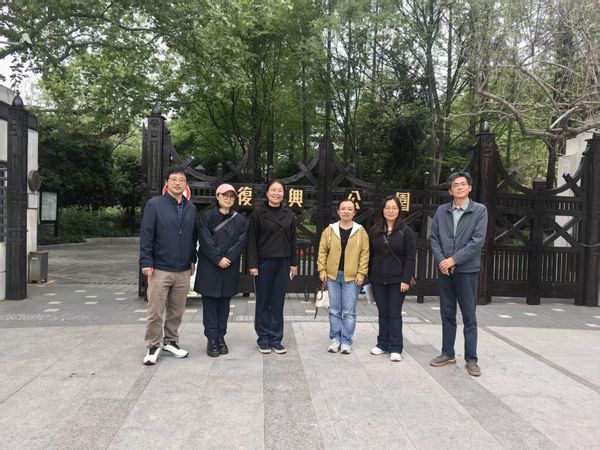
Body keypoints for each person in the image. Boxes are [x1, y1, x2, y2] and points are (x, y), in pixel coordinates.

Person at [429, 171, 488, 377]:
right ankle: (447, 353)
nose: (460, 187)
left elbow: (477, 241)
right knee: (447, 313)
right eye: (456, 185)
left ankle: (471, 359)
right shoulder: (442, 211)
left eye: (463, 184)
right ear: (450, 190)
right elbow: (434, 238)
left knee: (469, 315)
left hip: (467, 271)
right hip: (445, 270)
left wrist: (454, 260)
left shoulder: (479, 211)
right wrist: (442, 261)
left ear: (469, 188)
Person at [139, 166, 197, 365]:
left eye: (182, 179)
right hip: (160, 268)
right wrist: (146, 261)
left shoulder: (191, 208)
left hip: (183, 269)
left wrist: (192, 259)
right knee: (155, 310)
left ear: (186, 184)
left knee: (177, 310)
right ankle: (153, 345)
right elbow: (147, 235)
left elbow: (192, 237)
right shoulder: (155, 205)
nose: (178, 183)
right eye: (174, 179)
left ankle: (171, 341)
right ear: (167, 182)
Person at [194, 183, 248, 357]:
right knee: (210, 305)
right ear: (217, 196)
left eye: (231, 196)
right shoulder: (206, 217)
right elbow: (205, 240)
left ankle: (221, 337)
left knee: (224, 305)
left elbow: (240, 242)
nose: (228, 198)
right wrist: (218, 258)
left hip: (229, 268)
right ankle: (211, 339)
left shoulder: (240, 220)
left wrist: (228, 258)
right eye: (225, 195)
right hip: (210, 267)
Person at [247, 180, 297, 354]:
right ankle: (263, 339)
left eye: (280, 191)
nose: (276, 193)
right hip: (264, 263)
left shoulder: (289, 214)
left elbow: (293, 240)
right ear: (267, 193)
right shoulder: (258, 213)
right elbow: (252, 240)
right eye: (273, 190)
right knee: (263, 302)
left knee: (277, 302)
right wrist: (252, 264)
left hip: (283, 262)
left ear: (284, 194)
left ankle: (276, 339)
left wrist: (293, 263)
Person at [318, 199, 369, 354]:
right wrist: (322, 270)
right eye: (343, 209)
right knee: (334, 310)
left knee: (349, 311)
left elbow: (365, 254)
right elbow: (322, 251)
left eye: (349, 209)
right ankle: (335, 339)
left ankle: (346, 341)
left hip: (352, 278)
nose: (346, 211)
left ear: (354, 212)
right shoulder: (330, 230)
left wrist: (361, 273)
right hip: (332, 276)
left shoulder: (360, 231)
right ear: (338, 211)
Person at [368, 195, 416, 362]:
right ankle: (382, 344)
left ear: (399, 210)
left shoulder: (406, 231)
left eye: (394, 208)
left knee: (394, 312)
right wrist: (369, 277)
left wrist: (406, 279)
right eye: (387, 208)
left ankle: (396, 347)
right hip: (378, 279)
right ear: (383, 210)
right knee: (383, 312)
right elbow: (370, 255)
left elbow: (410, 257)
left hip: (398, 280)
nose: (390, 211)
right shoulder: (375, 230)